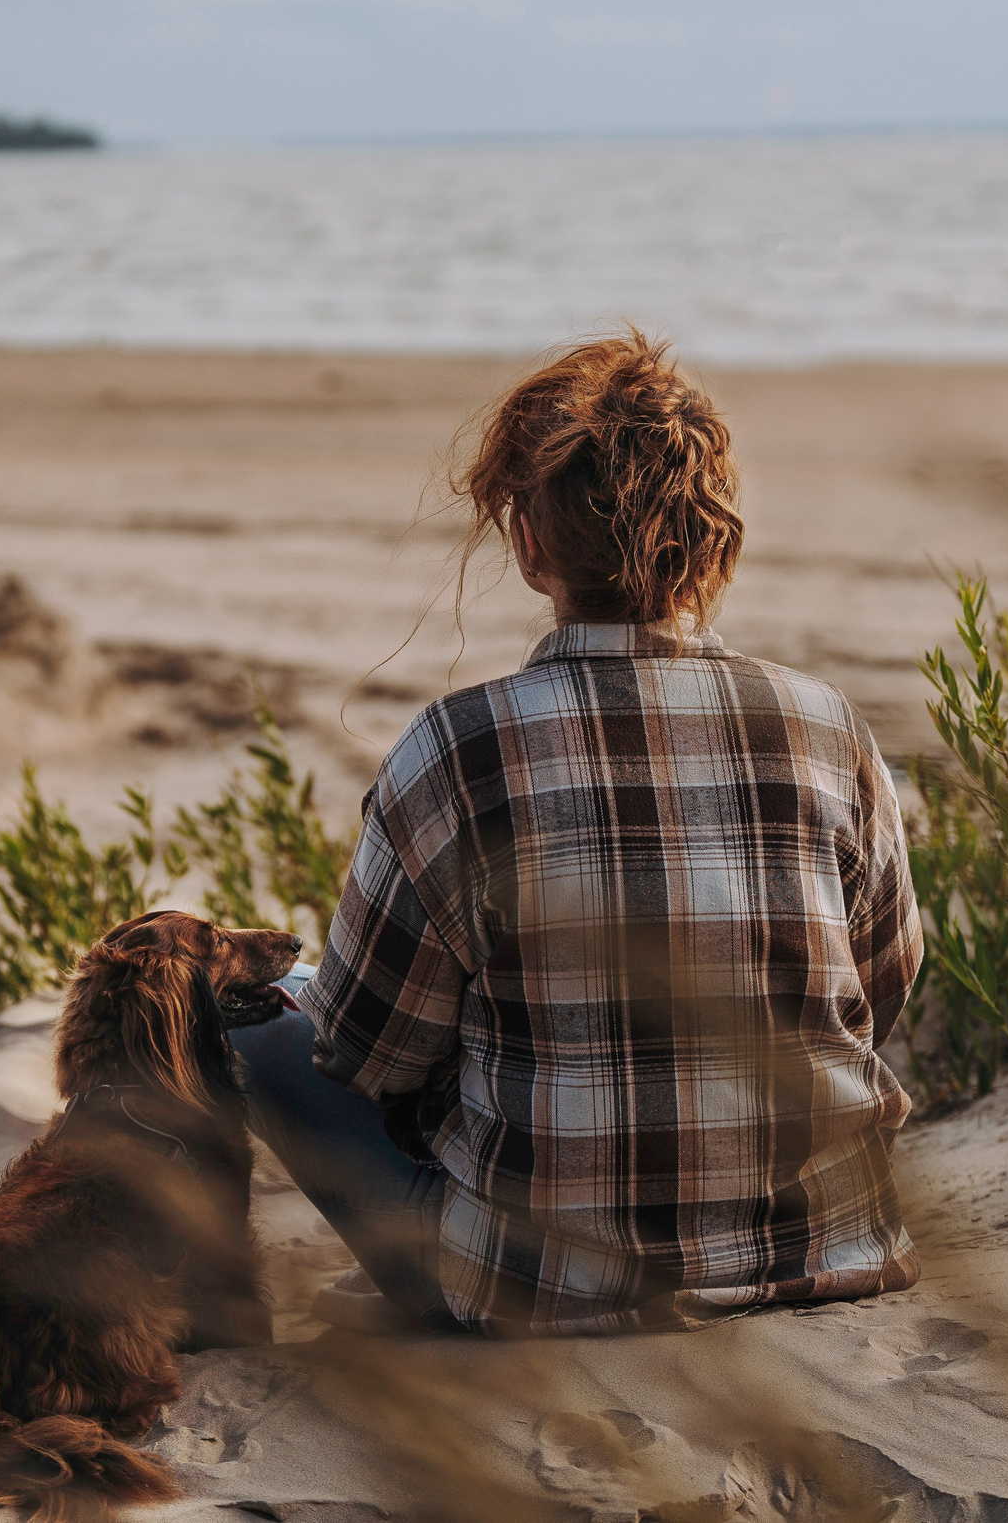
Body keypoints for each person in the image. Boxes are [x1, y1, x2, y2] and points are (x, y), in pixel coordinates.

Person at [230, 331, 921, 1336]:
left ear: (530, 543)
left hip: (530, 1286)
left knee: (250, 1020)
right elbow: (881, 985)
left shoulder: (457, 748)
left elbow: (368, 1056)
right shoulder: (828, 728)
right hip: (822, 1245)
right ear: (715, 538)